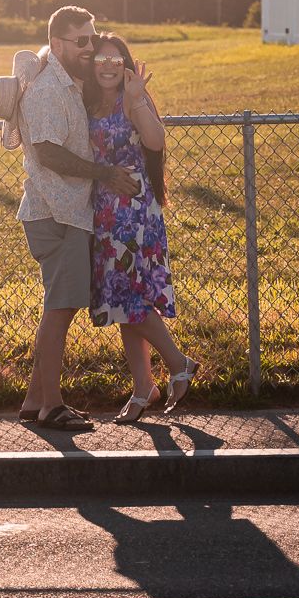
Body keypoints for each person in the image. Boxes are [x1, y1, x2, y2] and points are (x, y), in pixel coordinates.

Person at [15, 5, 140, 431]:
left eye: (92, 37)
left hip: (65, 212)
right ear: (57, 44)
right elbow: (48, 152)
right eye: (81, 41)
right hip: (57, 213)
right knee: (61, 309)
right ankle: (52, 406)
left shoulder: (67, 82)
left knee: (59, 307)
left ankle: (35, 400)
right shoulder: (49, 89)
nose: (90, 47)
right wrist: (105, 173)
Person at [85, 32, 197, 422]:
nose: (108, 66)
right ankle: (142, 387)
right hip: (104, 210)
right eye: (101, 60)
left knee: (128, 295)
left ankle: (179, 363)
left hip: (133, 210)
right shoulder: (88, 101)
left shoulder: (131, 96)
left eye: (116, 60)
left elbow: (155, 140)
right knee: (123, 300)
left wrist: (136, 102)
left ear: (126, 64)